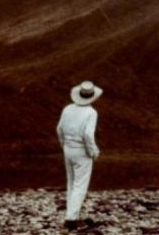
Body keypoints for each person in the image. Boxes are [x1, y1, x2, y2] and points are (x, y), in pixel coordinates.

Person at [57, 81, 102, 230]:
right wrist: (93, 151)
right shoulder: (91, 112)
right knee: (80, 185)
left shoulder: (67, 109)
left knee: (71, 182)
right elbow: (88, 135)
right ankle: (70, 220)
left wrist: (64, 144)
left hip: (68, 149)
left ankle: (72, 215)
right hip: (82, 151)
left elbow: (59, 129)